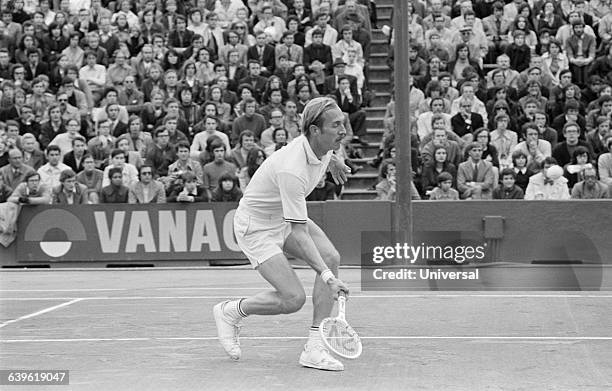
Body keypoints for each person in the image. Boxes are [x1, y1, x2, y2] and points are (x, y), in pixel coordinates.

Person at [213, 97, 352, 371]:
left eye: (343, 123)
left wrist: (333, 160)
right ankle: (232, 311)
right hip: (256, 228)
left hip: (282, 217)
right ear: (315, 130)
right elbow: (299, 233)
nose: (343, 130)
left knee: (331, 256)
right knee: (293, 299)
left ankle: (314, 348)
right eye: (336, 125)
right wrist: (327, 278)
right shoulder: (293, 169)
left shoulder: (322, 147)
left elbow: (323, 153)